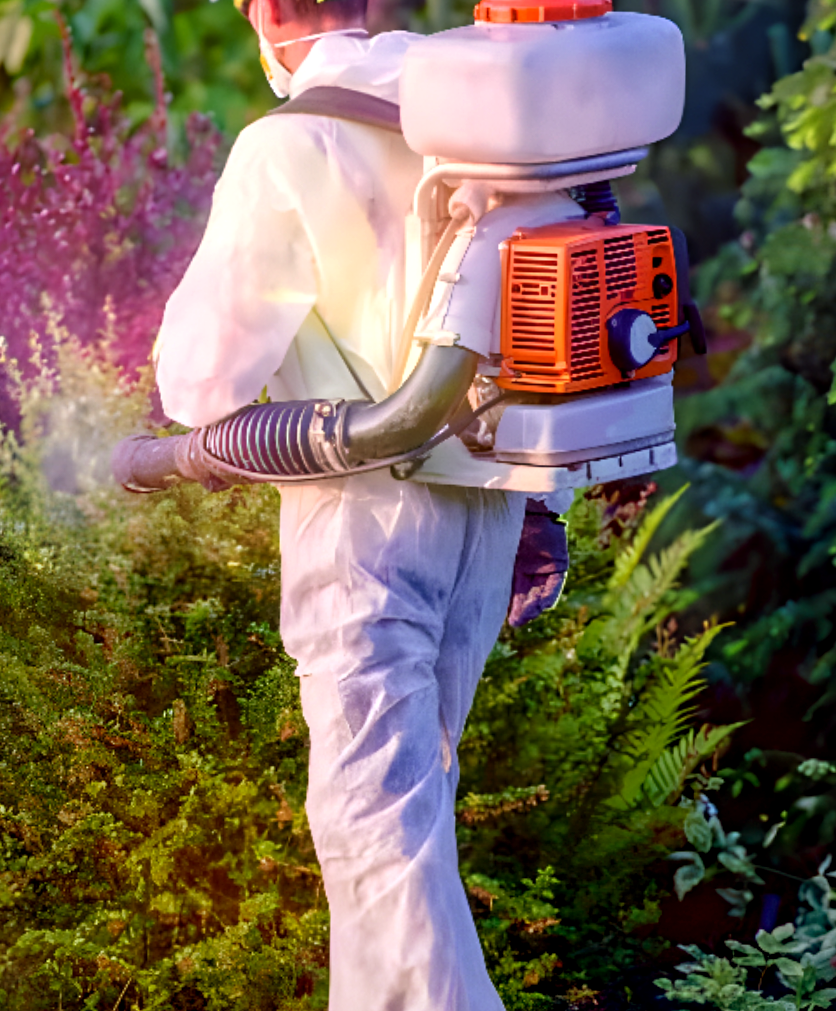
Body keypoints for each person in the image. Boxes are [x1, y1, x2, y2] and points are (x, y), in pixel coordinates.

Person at [148, 3, 542, 1008]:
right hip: (496, 506)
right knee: (409, 821)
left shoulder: (288, 142)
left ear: (270, 11)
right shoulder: (481, 110)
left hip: (368, 514)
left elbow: (202, 384)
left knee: (377, 837)